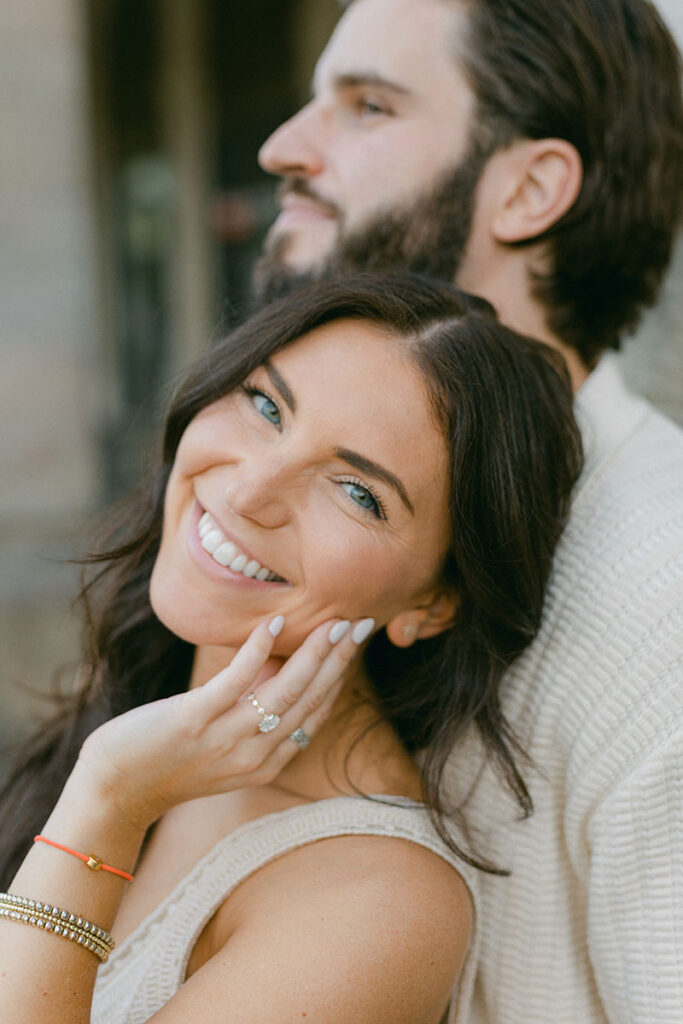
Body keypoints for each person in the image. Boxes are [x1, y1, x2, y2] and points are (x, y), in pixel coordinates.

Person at [253, 2, 683, 1022]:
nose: (282, 148)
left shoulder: (663, 598)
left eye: (365, 106)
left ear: (528, 188)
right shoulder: (277, 517)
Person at [0, 274, 582, 1023]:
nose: (250, 490)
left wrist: (106, 799)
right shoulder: (152, 700)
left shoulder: (378, 902)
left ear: (434, 604)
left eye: (357, 491)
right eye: (266, 406)